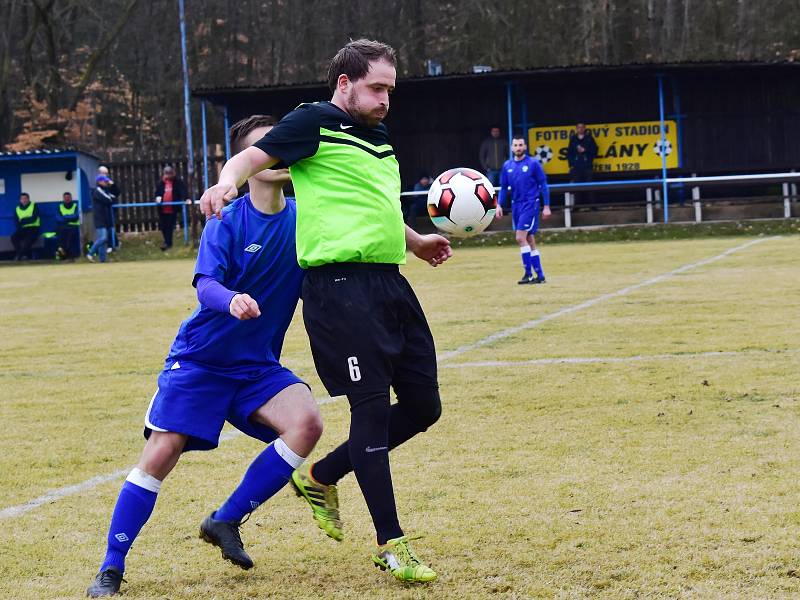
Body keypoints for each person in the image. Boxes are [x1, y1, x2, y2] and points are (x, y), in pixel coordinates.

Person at [200, 39, 452, 584]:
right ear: (345, 83)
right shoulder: (314, 121)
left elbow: (373, 204)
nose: (385, 98)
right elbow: (249, 158)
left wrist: (415, 241)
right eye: (375, 87)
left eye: (390, 89)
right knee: (369, 409)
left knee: (424, 406)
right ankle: (391, 542)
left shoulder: (377, 135)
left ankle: (322, 474)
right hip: (340, 290)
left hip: (390, 283)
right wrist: (226, 181)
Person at [86, 115, 323, 597]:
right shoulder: (227, 221)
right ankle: (111, 566)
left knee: (308, 424)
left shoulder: (307, 215)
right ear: (246, 163)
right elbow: (205, 284)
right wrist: (230, 299)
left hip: (256, 367)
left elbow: (362, 222)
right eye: (265, 150)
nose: (279, 157)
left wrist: (416, 242)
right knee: (163, 450)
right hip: (201, 361)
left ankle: (225, 519)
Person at [495, 134, 551, 284]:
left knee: (520, 238)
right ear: (512, 147)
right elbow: (504, 188)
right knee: (529, 240)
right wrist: (499, 204)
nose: (518, 148)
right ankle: (540, 276)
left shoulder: (533, 164)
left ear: (525, 146)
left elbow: (543, 185)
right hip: (516, 205)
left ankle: (528, 274)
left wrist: (546, 206)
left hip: (530, 204)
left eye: (521, 145)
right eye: (516, 145)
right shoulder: (507, 166)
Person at [154, 165, 189, 251]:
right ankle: (166, 242)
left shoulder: (177, 182)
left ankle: (168, 243)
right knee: (163, 226)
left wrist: (186, 198)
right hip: (162, 208)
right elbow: (157, 193)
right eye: (166, 173)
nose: (168, 175)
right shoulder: (160, 183)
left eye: (170, 173)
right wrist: (157, 198)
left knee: (170, 225)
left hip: (172, 208)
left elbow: (183, 191)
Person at [566, 123, 598, 206]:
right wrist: (571, 165)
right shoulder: (573, 139)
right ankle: (577, 206)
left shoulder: (589, 139)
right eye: (578, 127)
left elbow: (595, 151)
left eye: (582, 127)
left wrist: (585, 150)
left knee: (590, 186)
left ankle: (592, 206)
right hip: (576, 167)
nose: (580, 129)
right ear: (576, 128)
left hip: (587, 166)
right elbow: (569, 153)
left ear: (585, 128)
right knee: (576, 187)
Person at [86, 176, 115, 263]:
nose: (106, 183)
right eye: (105, 181)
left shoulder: (104, 191)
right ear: (99, 182)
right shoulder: (97, 190)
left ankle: (102, 260)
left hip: (104, 217)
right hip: (99, 218)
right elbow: (109, 200)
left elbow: (115, 196)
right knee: (103, 238)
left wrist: (112, 185)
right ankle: (90, 253)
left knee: (103, 240)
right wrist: (110, 198)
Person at [11, 192, 40, 260]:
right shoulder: (17, 208)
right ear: (20, 200)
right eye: (22, 199)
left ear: (28, 199)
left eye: (25, 198)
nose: (24, 200)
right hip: (23, 229)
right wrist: (21, 224)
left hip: (33, 228)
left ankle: (19, 256)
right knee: (13, 237)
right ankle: (22, 255)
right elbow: (16, 221)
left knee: (27, 241)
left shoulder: (34, 206)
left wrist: (23, 220)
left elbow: (34, 218)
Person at [98, 166, 121, 251]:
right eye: (104, 173)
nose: (105, 175)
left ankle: (113, 244)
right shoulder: (98, 183)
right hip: (102, 209)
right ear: (100, 173)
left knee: (110, 226)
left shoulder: (109, 182)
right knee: (106, 227)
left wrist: (112, 184)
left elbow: (117, 192)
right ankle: (111, 244)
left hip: (111, 208)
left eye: (106, 173)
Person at [55, 191, 80, 261]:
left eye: (68, 197)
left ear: (71, 198)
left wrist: (65, 217)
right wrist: (69, 218)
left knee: (70, 238)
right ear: (63, 199)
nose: (67, 199)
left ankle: (68, 254)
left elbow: (76, 216)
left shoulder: (76, 206)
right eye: (65, 198)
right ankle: (63, 254)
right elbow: (58, 218)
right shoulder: (60, 206)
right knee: (61, 237)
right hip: (63, 226)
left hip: (74, 226)